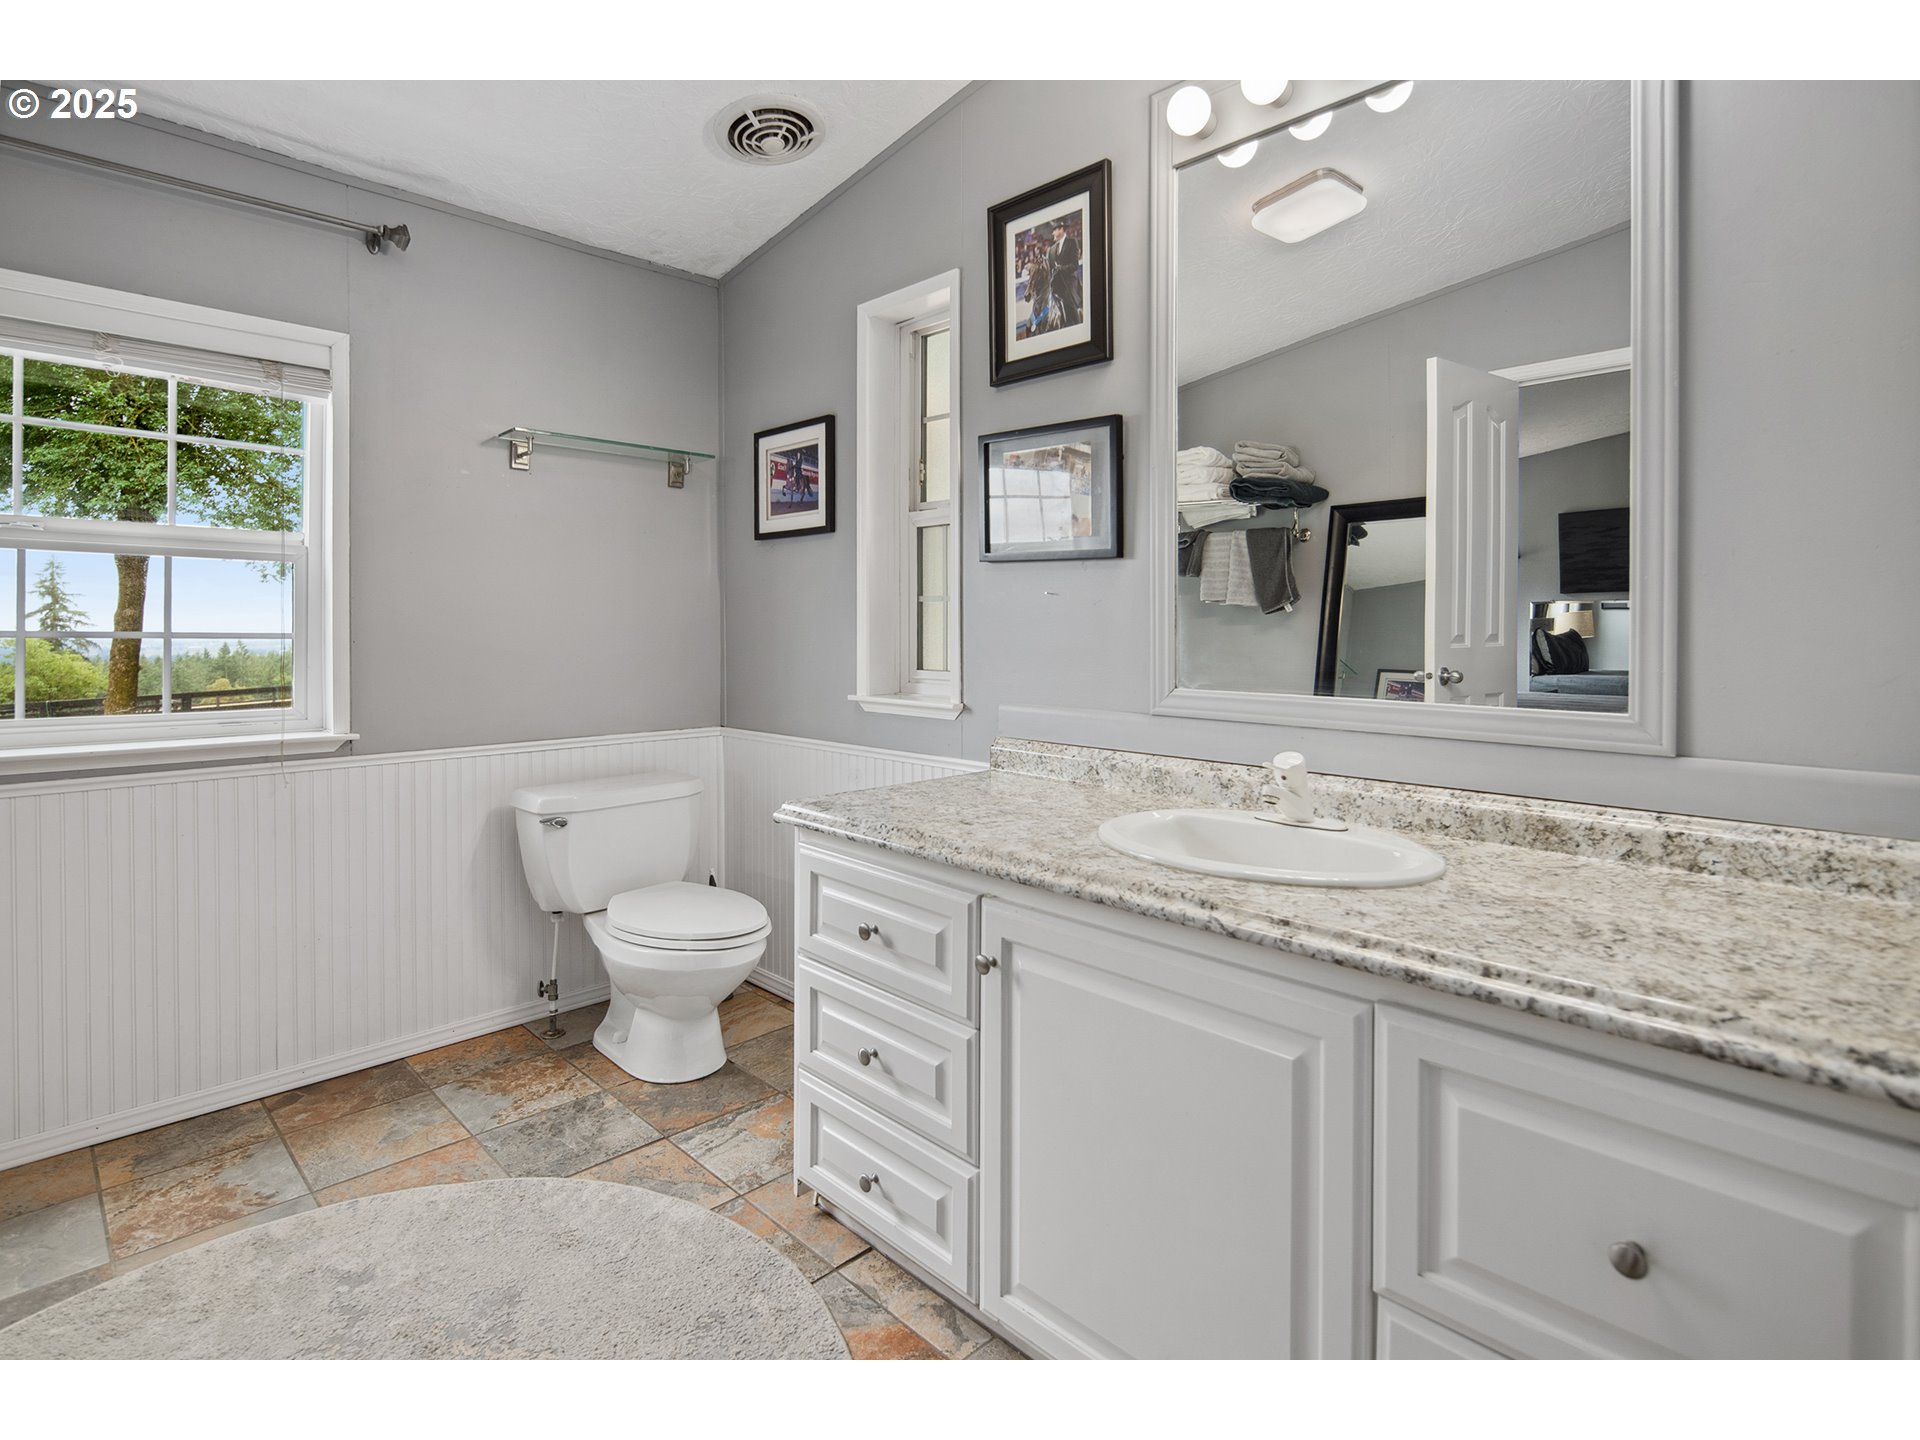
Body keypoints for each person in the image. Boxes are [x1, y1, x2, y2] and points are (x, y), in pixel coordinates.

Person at [1024, 223, 1056, 336]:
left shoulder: (1051, 253)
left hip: (1051, 287)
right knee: (1029, 322)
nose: (1037, 245)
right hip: (1041, 292)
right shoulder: (1038, 258)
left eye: (1039, 241)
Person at [1051, 218, 1083, 327]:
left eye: (1055, 230)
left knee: (1069, 303)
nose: (1053, 233)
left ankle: (1076, 325)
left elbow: (1074, 265)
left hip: (1069, 282)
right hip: (1057, 283)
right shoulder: (1052, 249)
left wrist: (1061, 268)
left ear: (1061, 229)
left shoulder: (1072, 242)